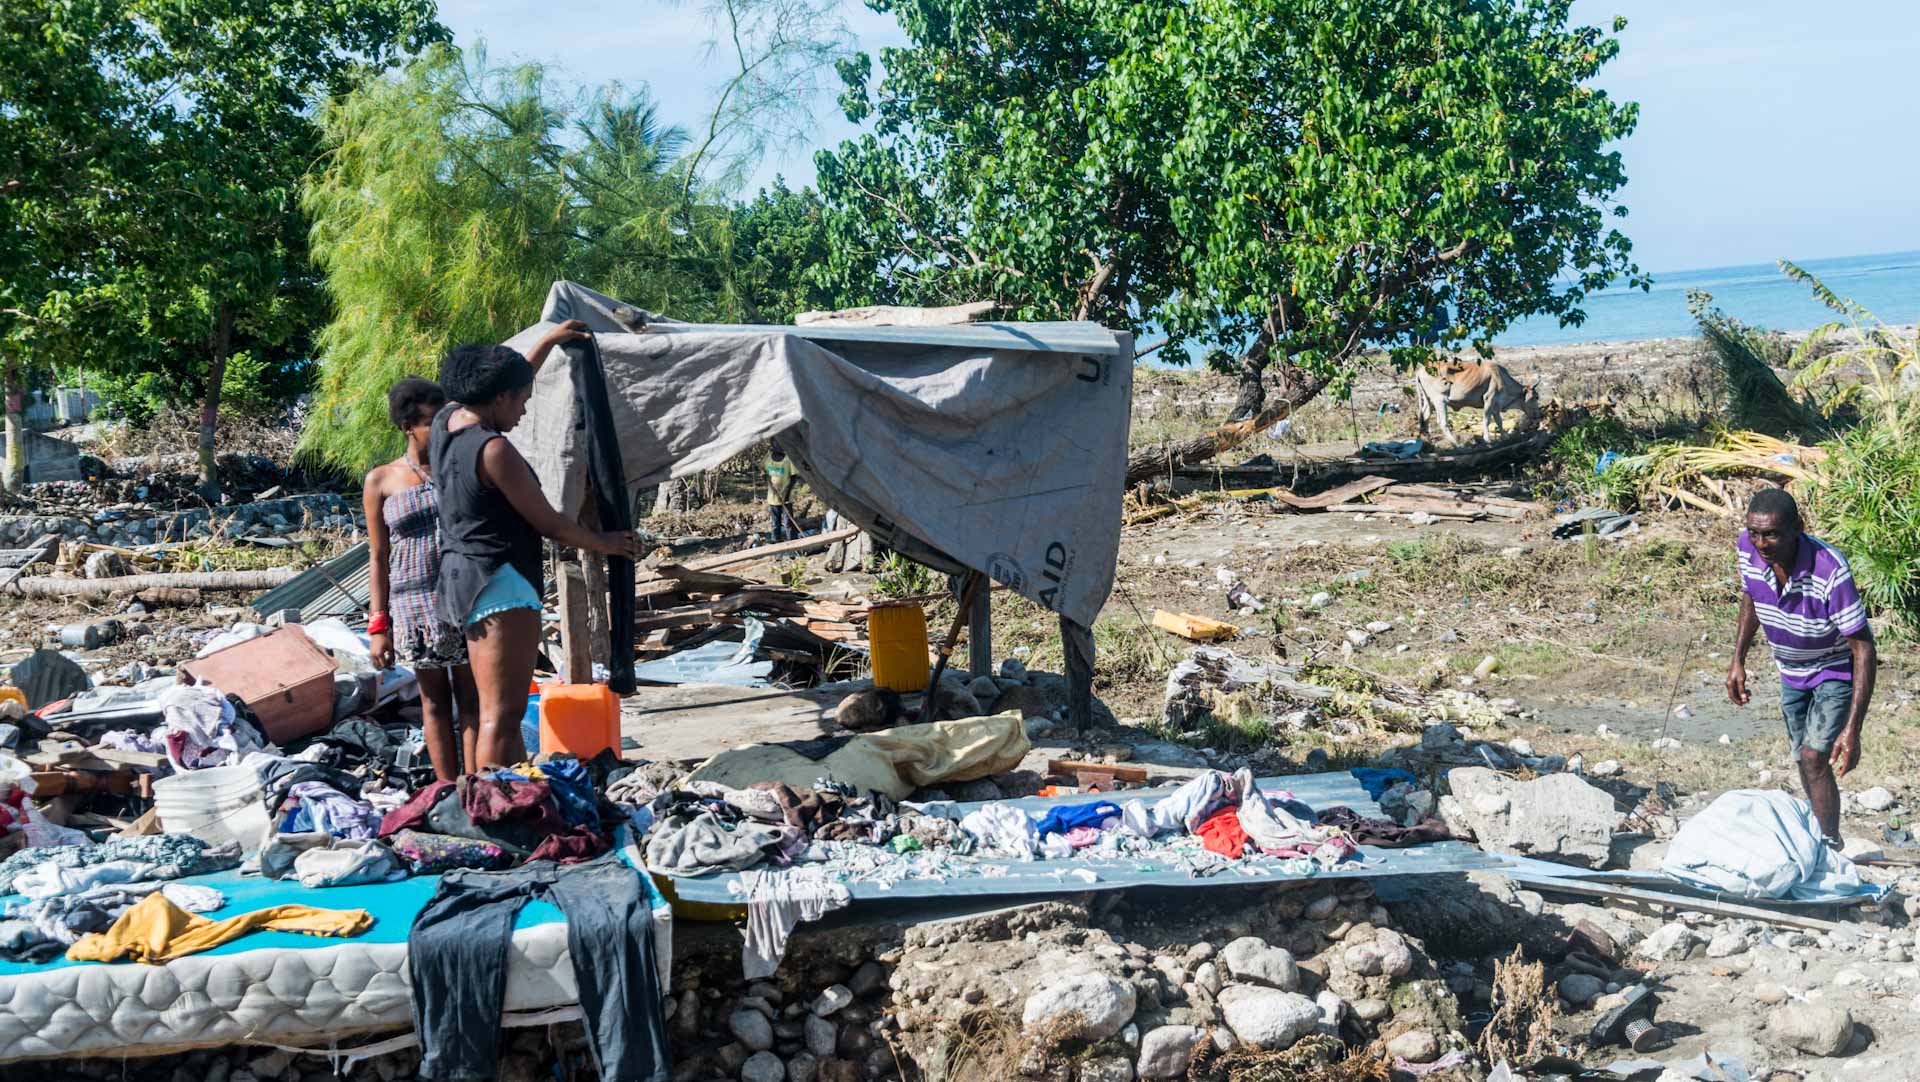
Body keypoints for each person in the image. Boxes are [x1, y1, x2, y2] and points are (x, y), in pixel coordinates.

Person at [431, 320, 645, 769]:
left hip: (460, 579)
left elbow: (499, 384)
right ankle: (495, 810)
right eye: (523, 402)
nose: (524, 413)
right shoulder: (494, 451)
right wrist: (607, 543)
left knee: (495, 713)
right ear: (500, 398)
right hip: (500, 583)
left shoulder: (445, 423)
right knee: (501, 717)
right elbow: (551, 523)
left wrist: (546, 342)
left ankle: (508, 795)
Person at [1726, 488, 1876, 844]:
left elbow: (1864, 649)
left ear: (1798, 529)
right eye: (1755, 532)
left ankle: (1829, 844)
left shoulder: (1830, 570)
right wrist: (1738, 659)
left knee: (1813, 757)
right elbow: (1752, 596)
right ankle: (1822, 839)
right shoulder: (1747, 549)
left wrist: (1852, 730)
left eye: (1772, 534)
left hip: (1834, 668)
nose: (1762, 543)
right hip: (1790, 670)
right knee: (1802, 758)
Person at [363, 378, 480, 781]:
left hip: (464, 596)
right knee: (433, 701)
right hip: (413, 605)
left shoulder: (459, 467)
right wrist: (379, 625)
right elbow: (378, 556)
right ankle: (447, 788)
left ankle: (477, 784)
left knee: (472, 699)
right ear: (407, 426)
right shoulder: (382, 480)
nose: (444, 429)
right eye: (433, 422)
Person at [765, 446, 800, 542]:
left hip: (786, 498)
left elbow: (794, 477)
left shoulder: (788, 460)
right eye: (776, 443)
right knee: (775, 523)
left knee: (788, 522)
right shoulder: (767, 458)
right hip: (773, 498)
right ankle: (776, 543)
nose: (779, 446)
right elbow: (763, 472)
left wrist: (786, 493)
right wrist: (766, 479)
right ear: (772, 444)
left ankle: (793, 544)